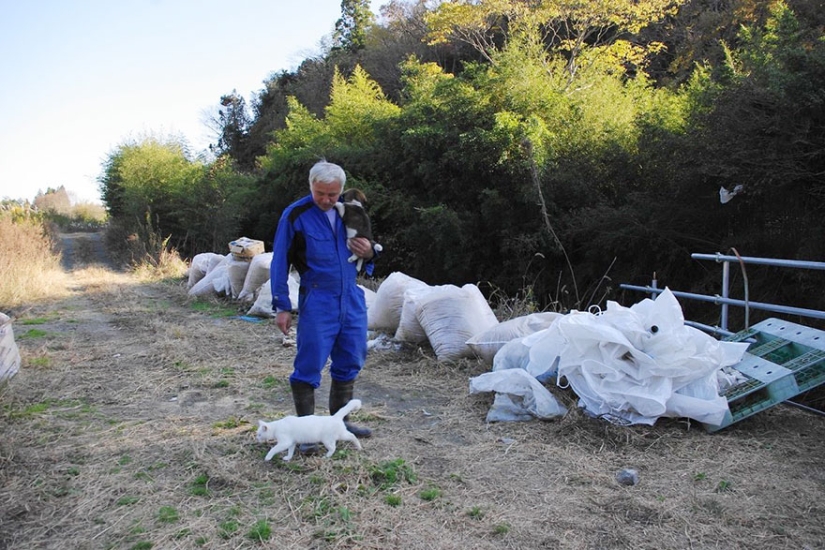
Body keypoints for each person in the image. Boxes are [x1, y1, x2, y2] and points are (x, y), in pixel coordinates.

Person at [270, 160, 377, 447]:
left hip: (351, 296)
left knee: (351, 358)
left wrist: (369, 252)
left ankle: (339, 425)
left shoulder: (351, 212)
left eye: (332, 194)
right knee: (309, 362)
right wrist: (282, 305)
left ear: (341, 189)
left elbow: (368, 246)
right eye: (320, 194)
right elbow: (279, 260)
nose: (327, 200)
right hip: (318, 297)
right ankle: (304, 434)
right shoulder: (296, 215)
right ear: (310, 186)